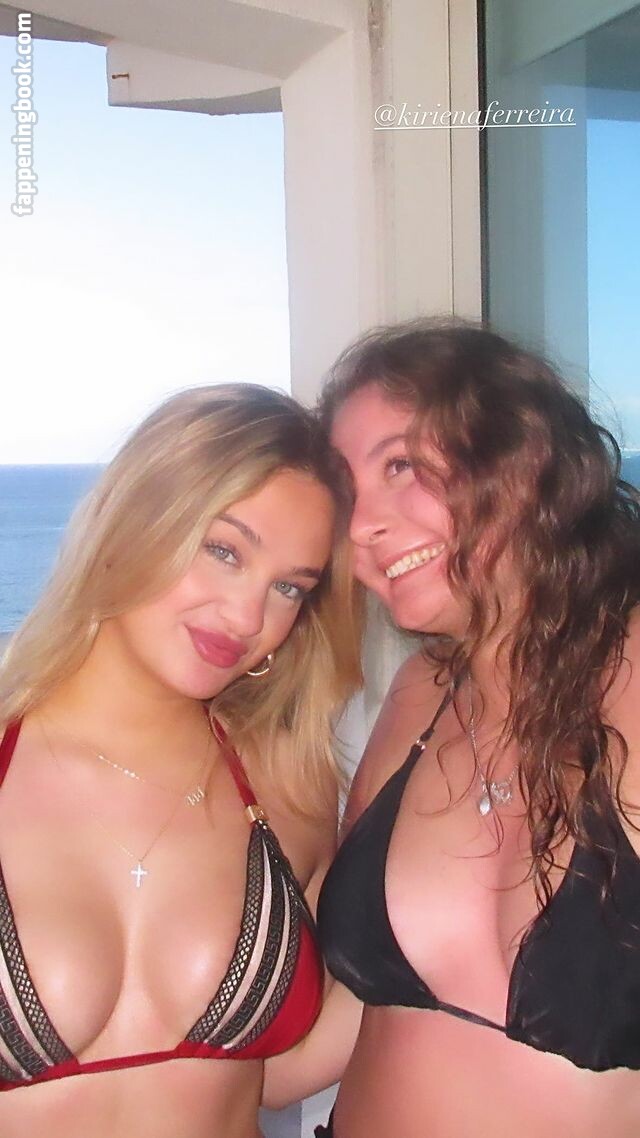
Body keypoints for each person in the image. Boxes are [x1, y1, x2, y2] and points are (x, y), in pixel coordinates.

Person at [266, 320, 640, 1137]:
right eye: (348, 495)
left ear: (524, 454)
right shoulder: (419, 697)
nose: (360, 527)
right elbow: (352, 1015)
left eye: (400, 465)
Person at [0, 383, 362, 1138]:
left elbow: (266, 1077)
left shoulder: (286, 788)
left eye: (288, 588)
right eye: (225, 551)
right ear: (134, 521)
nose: (248, 617)